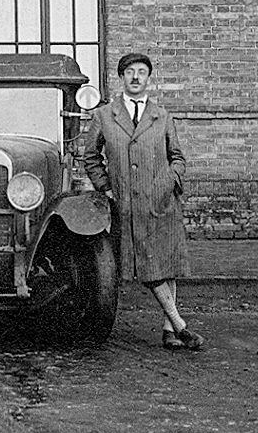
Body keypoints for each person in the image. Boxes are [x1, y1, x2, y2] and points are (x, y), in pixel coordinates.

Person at [83, 52, 204, 351]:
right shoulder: (104, 116)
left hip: (161, 203)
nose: (135, 78)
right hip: (126, 206)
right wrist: (107, 188)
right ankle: (181, 324)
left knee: (167, 264)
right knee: (149, 266)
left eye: (141, 72)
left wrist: (170, 181)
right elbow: (90, 158)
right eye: (129, 73)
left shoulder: (162, 116)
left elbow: (177, 157)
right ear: (121, 78)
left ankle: (169, 331)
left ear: (149, 78)